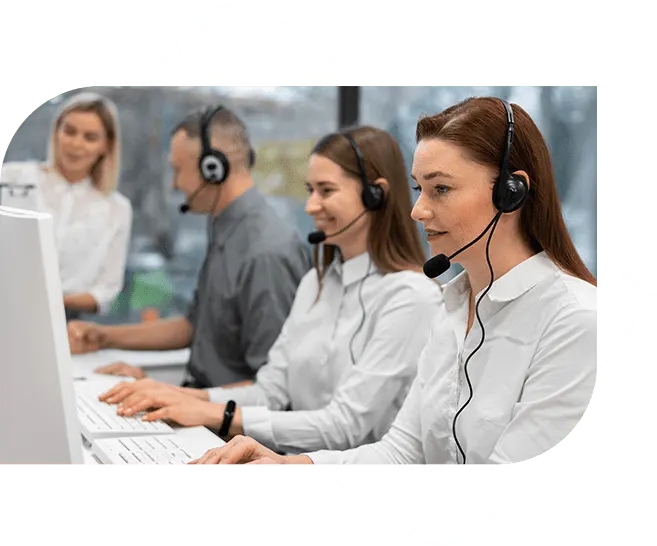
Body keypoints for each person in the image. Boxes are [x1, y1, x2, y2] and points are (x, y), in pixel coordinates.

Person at [185, 97, 597, 466]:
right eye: (420, 189)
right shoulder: (453, 308)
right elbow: (400, 451)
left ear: (512, 193)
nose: (417, 210)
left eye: (440, 189)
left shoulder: (575, 321)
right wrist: (288, 467)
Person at [97, 126, 444, 455]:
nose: (311, 206)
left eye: (326, 190)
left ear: (375, 195)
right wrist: (177, 396)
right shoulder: (315, 284)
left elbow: (345, 425)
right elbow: (271, 391)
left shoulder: (411, 298)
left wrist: (219, 416)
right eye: (310, 191)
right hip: (284, 461)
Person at [67, 105, 312, 389]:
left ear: (213, 169)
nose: (174, 184)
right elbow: (194, 327)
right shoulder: (226, 227)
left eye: (177, 169)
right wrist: (103, 336)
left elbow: (275, 390)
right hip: (202, 404)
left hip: (229, 429)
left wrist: (168, 394)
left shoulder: (265, 253)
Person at [0, 92, 132, 320]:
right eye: (69, 131)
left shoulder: (117, 209)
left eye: (90, 137)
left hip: (64, 321)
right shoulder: (11, 177)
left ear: (106, 145)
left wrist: (50, 301)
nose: (76, 144)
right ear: (56, 132)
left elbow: (106, 291)